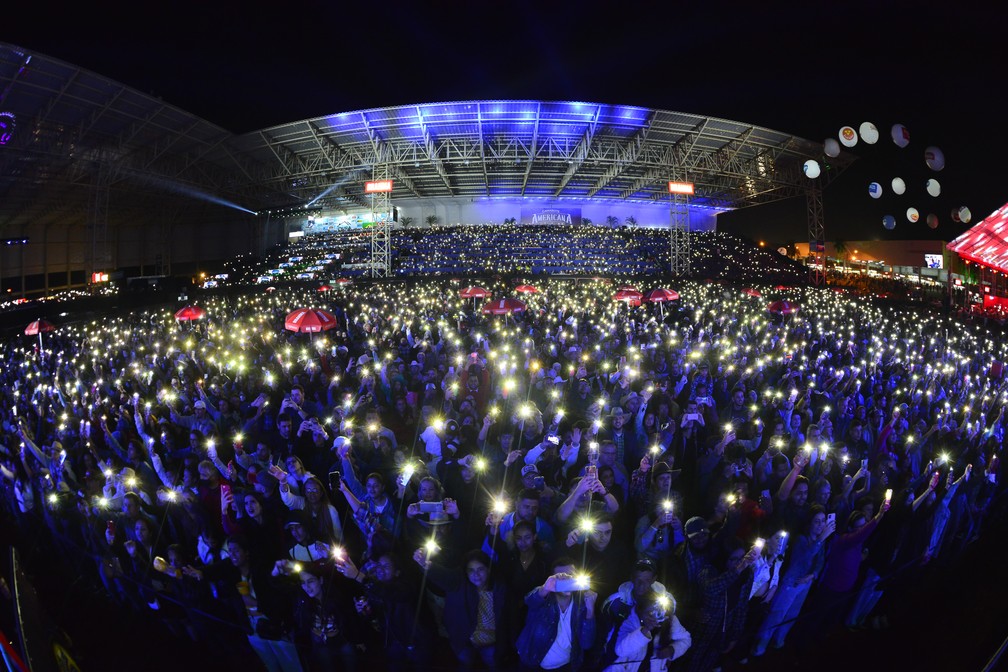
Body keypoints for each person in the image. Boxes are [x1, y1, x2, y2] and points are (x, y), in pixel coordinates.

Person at [750, 505, 835, 657]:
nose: (821, 525)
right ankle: (761, 643)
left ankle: (779, 638)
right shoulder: (802, 539)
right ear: (809, 523)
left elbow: (820, 560)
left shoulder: (820, 541)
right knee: (777, 614)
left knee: (793, 613)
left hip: (805, 583)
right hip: (791, 582)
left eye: (823, 521)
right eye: (817, 521)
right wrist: (821, 539)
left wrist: (813, 574)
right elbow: (803, 558)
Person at [414, 547, 514, 670]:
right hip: (464, 641)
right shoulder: (460, 583)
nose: (476, 575)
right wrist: (425, 564)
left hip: (491, 642)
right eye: (471, 570)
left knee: (494, 665)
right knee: (466, 665)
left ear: (488, 569)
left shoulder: (499, 587)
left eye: (480, 569)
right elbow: (443, 576)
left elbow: (509, 617)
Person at [516, 556, 598, 671]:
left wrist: (590, 610)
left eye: (571, 576)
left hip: (565, 667)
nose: (567, 580)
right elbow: (529, 600)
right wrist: (545, 588)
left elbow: (586, 643)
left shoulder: (582, 604)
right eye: (561, 577)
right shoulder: (543, 596)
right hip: (533, 663)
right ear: (552, 579)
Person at [291, 561, 364, 671]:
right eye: (303, 583)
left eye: (310, 581)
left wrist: (358, 640)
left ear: (320, 580)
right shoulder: (302, 602)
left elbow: (349, 619)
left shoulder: (336, 598)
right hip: (319, 642)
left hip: (341, 639)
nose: (306, 587)